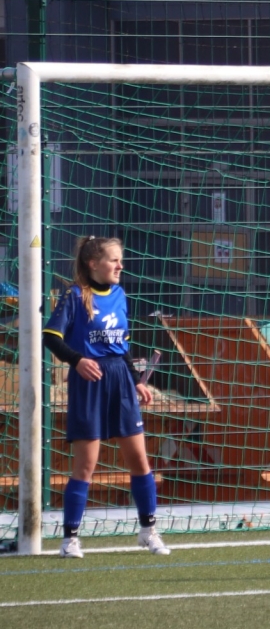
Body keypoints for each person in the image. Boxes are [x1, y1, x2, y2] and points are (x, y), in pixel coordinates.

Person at [43, 235, 166, 559]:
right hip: (89, 382)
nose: (120, 266)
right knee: (86, 465)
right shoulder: (74, 295)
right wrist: (77, 361)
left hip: (120, 381)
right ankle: (70, 539)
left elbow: (121, 346)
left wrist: (136, 382)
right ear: (93, 263)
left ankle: (148, 530)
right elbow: (51, 337)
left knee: (139, 460)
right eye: (114, 260)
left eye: (120, 260)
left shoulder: (120, 295)